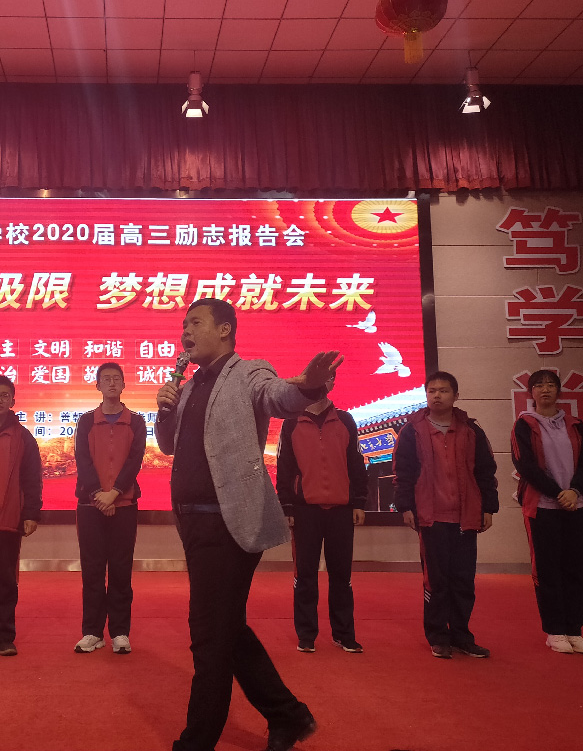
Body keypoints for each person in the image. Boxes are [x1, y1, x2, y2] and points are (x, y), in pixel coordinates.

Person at [155, 297, 342, 751]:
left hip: (229, 523)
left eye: (195, 322)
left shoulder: (249, 372)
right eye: (183, 324)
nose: (185, 331)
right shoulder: (189, 385)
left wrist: (308, 387)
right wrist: (164, 407)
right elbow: (168, 445)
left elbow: (278, 395)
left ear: (225, 329)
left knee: (208, 636)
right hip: (193, 524)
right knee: (226, 629)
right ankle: (288, 715)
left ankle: (196, 742)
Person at [393, 371, 498, 659]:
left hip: (465, 516)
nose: (437, 395)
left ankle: (462, 636)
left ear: (456, 395)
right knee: (436, 581)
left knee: (463, 580)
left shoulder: (471, 430)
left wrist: (488, 508)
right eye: (432, 391)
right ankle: (438, 636)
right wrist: (405, 507)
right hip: (431, 516)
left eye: (443, 390)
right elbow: (403, 473)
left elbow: (486, 471)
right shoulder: (412, 431)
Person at [276, 373, 368, 654]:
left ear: (332, 384)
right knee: (305, 575)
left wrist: (359, 502)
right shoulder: (291, 422)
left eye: (326, 379)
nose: (320, 384)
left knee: (342, 576)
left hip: (341, 510)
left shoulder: (346, 420)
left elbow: (356, 462)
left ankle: (344, 634)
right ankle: (306, 634)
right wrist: (287, 505)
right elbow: (284, 466)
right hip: (305, 511)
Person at [511, 369, 583, 655]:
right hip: (543, 507)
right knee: (548, 570)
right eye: (539, 385)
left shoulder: (575, 424)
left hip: (577, 505)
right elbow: (525, 465)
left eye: (550, 385)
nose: (545, 390)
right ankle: (554, 631)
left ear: (559, 391)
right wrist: (557, 493)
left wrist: (574, 491)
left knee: (576, 569)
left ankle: (574, 630)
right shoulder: (524, 424)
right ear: (531, 393)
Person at [73, 362, 146, 654]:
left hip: (124, 505)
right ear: (98, 386)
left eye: (117, 378)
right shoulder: (86, 421)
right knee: (92, 570)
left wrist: (114, 494)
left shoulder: (136, 422)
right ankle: (92, 632)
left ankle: (120, 632)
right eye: (106, 379)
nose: (112, 383)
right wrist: (98, 495)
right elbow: (82, 460)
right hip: (90, 506)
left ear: (124, 385)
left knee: (120, 569)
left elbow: (135, 460)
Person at [0, 375, 42, 657]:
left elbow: (32, 478)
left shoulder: (23, 437)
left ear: (13, 401)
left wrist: (31, 514)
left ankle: (4, 637)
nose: (0, 399)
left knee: (5, 581)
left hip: (8, 520)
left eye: (5, 395)